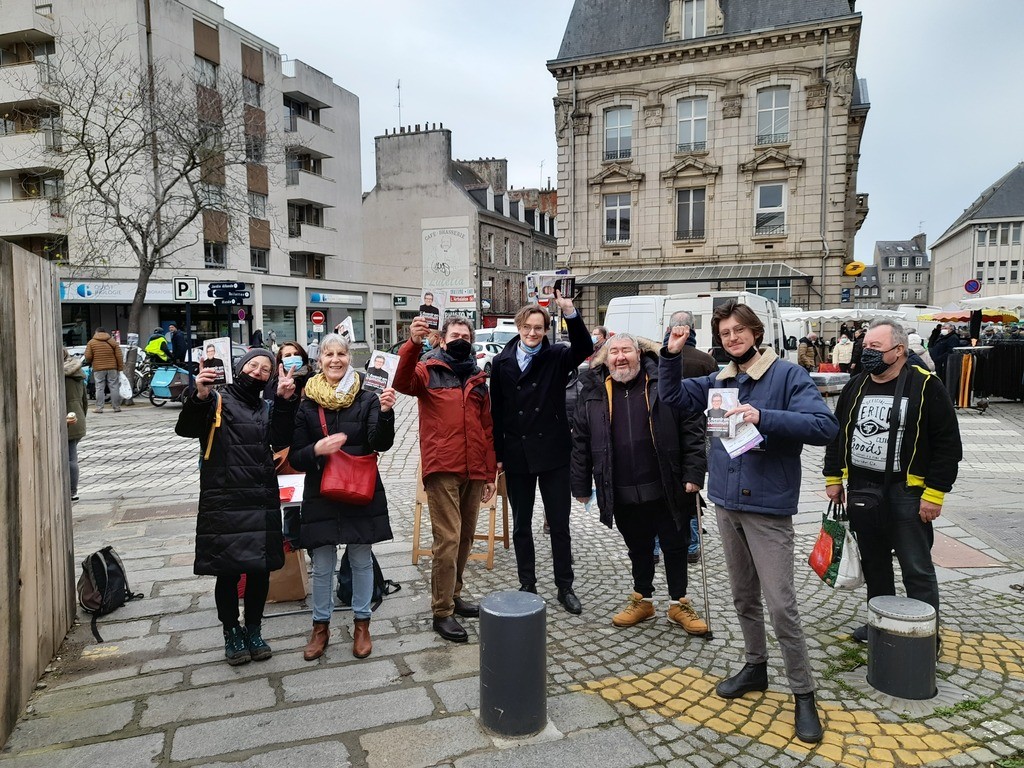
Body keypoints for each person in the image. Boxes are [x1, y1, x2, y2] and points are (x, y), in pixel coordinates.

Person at [659, 299, 838, 745]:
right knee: (742, 596)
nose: (732, 338)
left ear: (756, 332)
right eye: (724, 334)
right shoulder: (720, 379)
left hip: (768, 508)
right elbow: (671, 397)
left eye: (739, 330)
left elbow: (824, 427)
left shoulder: (787, 375)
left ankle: (803, 693)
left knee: (781, 604)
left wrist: (764, 416)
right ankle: (755, 667)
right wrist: (670, 355)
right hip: (725, 501)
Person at [824, 319, 962, 647]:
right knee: (875, 565)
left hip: (907, 493)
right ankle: (881, 624)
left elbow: (947, 444)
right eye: (865, 345)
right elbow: (836, 432)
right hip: (862, 490)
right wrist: (833, 477)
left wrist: (935, 494)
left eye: (875, 347)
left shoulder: (925, 384)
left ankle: (926, 637)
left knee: (917, 568)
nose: (866, 351)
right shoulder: (856, 385)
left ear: (898, 351)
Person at [571, 334, 708, 633]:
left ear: (639, 354)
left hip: (666, 483)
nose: (620, 357)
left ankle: (679, 603)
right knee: (638, 547)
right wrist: (580, 485)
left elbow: (693, 428)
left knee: (675, 545)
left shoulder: (663, 381)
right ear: (606, 359)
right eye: (614, 352)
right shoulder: (593, 389)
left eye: (626, 351)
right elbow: (580, 440)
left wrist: (694, 473)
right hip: (619, 487)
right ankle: (642, 599)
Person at [174, 349, 299, 665]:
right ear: (240, 368)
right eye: (253, 365)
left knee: (259, 571)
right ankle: (231, 632)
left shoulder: (266, 406)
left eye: (265, 369)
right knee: (227, 572)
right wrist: (199, 395)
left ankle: (254, 630)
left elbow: (283, 438)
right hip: (225, 499)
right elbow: (185, 430)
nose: (258, 371)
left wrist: (285, 401)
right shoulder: (216, 400)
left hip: (260, 498)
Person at [289, 334, 397, 661]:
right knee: (322, 566)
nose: (335, 359)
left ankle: (362, 623)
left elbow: (380, 442)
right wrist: (316, 450)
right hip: (321, 492)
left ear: (350, 358)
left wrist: (387, 412)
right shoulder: (307, 403)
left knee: (361, 560)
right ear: (319, 359)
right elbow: (295, 456)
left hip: (360, 489)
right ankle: (320, 627)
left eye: (341, 354)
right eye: (328, 354)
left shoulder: (366, 399)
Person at [394, 315, 497, 643]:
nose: (461, 339)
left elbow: (487, 429)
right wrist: (412, 343)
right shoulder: (428, 369)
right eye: (455, 334)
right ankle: (442, 611)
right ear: (441, 338)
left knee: (465, 537)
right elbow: (401, 383)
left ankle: (454, 593)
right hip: (442, 469)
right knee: (448, 539)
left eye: (466, 335)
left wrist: (490, 472)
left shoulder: (478, 378)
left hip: (474, 469)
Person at [489, 292, 593, 613]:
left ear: (546, 330)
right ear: (519, 327)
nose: (533, 333)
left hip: (553, 453)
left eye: (539, 328)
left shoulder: (557, 357)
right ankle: (527, 582)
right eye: (528, 327)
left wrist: (570, 312)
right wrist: (498, 455)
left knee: (559, 524)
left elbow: (585, 348)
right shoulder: (501, 363)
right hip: (518, 453)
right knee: (521, 525)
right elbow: (498, 411)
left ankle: (565, 585)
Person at [665, 309, 717, 562]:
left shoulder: (660, 355)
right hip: (699, 425)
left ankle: (656, 547)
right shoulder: (705, 361)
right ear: (693, 329)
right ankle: (693, 544)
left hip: (665, 427)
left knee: (663, 485)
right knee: (691, 482)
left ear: (669, 329)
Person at [64, 349, 88, 502]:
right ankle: (73, 491)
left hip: (65, 418)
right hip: (77, 417)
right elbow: (84, 401)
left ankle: (70, 490)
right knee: (72, 456)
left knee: (67, 457)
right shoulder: (78, 374)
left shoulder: (59, 377)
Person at [84, 327, 124, 413]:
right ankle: (116, 407)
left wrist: (90, 362)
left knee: (99, 387)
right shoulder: (113, 341)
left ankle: (99, 408)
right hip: (112, 367)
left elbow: (88, 357)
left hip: (98, 368)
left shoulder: (91, 342)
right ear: (105, 332)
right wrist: (120, 367)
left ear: (96, 332)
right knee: (114, 386)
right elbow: (119, 356)